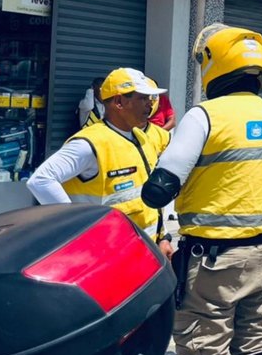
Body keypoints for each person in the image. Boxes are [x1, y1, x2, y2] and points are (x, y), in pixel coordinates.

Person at [141, 24, 262, 355]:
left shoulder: (204, 116)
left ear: (213, 66)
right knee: (256, 348)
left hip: (211, 263)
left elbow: (159, 189)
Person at [30, 68, 172, 253]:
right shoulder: (90, 143)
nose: (150, 105)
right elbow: (40, 180)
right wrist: (77, 230)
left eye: (150, 99)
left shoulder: (142, 137)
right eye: (143, 98)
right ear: (119, 102)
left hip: (146, 251)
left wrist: (164, 237)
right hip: (108, 255)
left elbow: (148, 199)